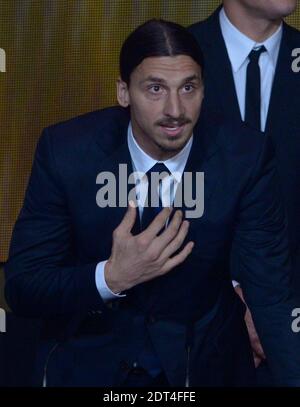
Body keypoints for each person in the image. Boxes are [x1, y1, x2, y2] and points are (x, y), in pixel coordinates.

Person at [4, 19, 300, 387]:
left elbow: (271, 295)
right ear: (124, 93)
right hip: (91, 363)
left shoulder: (245, 157)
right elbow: (23, 287)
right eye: (155, 89)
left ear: (204, 90)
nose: (175, 110)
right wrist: (111, 277)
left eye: (188, 88)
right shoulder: (66, 152)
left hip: (203, 364)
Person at [189, 0, 300, 374]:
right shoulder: (172, 56)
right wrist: (234, 296)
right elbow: (152, 189)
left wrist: (276, 309)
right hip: (193, 329)